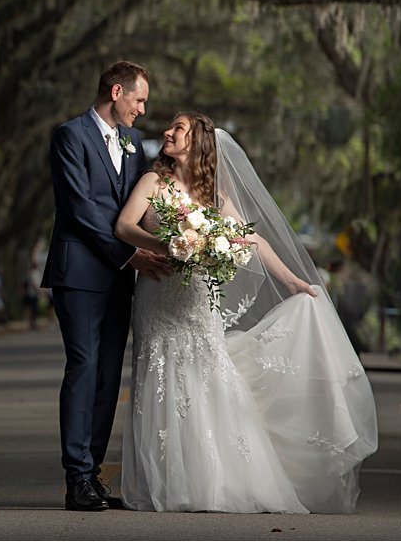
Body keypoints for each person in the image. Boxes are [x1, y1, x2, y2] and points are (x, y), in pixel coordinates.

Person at [114, 112, 377, 513]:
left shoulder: (215, 197)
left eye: (177, 129)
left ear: (198, 142)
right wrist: (167, 244)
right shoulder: (153, 183)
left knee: (208, 374)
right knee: (160, 375)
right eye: (169, 127)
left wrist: (292, 282)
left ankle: (218, 479)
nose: (166, 133)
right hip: (157, 295)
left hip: (197, 300)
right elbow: (123, 226)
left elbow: (250, 238)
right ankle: (167, 481)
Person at [42, 61, 169, 512]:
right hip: (78, 272)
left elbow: (138, 203)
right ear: (117, 92)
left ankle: (93, 475)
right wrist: (129, 253)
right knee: (84, 366)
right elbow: (78, 208)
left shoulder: (134, 143)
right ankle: (75, 477)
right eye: (139, 100)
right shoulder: (69, 136)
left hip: (121, 279)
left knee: (109, 374)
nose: (141, 109)